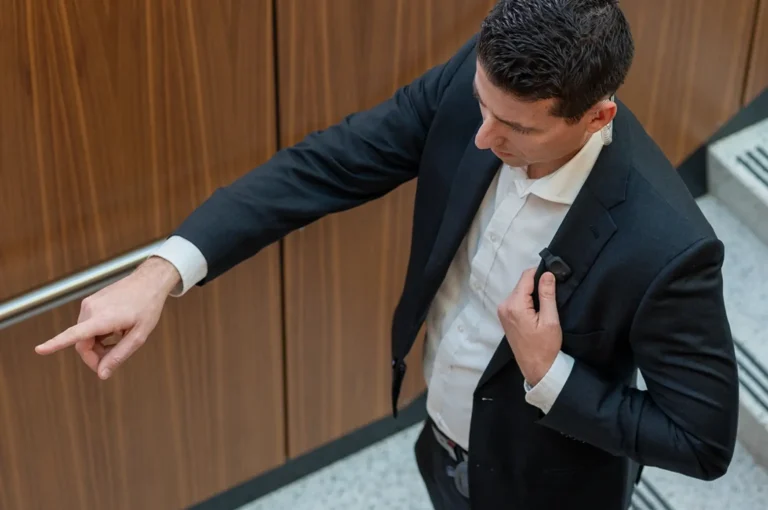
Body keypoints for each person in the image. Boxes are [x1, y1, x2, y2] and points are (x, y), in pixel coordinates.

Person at [36, 1, 739, 509]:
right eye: (481, 106)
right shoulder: (480, 87)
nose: (480, 137)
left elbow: (702, 443)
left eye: (516, 129)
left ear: (596, 116)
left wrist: (549, 373)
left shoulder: (668, 246)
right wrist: (162, 273)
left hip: (543, 488)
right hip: (441, 441)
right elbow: (325, 166)